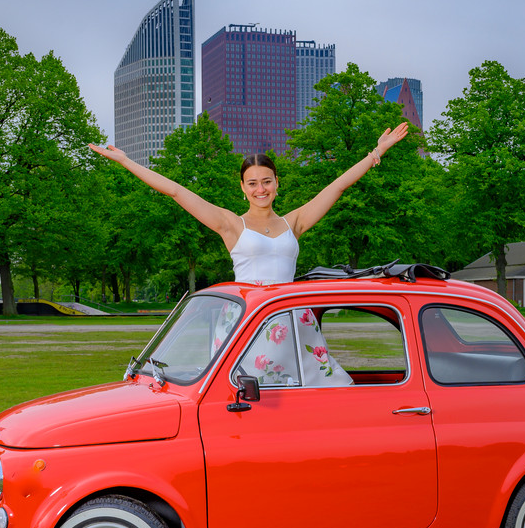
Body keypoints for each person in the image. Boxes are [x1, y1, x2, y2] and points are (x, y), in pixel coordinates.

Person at [89, 122, 411, 385]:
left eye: (267, 181)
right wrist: (126, 161)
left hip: (293, 324)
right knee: (248, 400)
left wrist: (376, 152)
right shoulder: (231, 225)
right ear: (242, 187)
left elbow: (337, 187)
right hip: (248, 325)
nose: (261, 189)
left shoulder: (293, 222)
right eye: (253, 183)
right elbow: (175, 190)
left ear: (277, 183)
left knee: (321, 397)